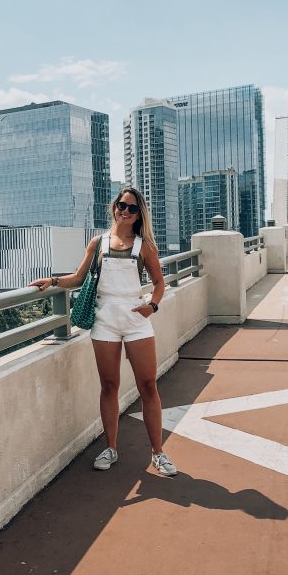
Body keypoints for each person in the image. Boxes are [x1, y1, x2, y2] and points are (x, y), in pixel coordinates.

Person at [30, 187, 177, 477]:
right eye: (122, 205)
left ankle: (158, 453)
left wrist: (153, 307)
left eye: (132, 208)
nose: (125, 211)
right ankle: (110, 448)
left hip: (137, 318)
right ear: (114, 207)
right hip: (105, 319)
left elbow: (160, 283)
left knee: (148, 386)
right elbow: (78, 278)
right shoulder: (97, 243)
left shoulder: (144, 246)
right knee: (109, 385)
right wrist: (52, 281)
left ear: (139, 215)